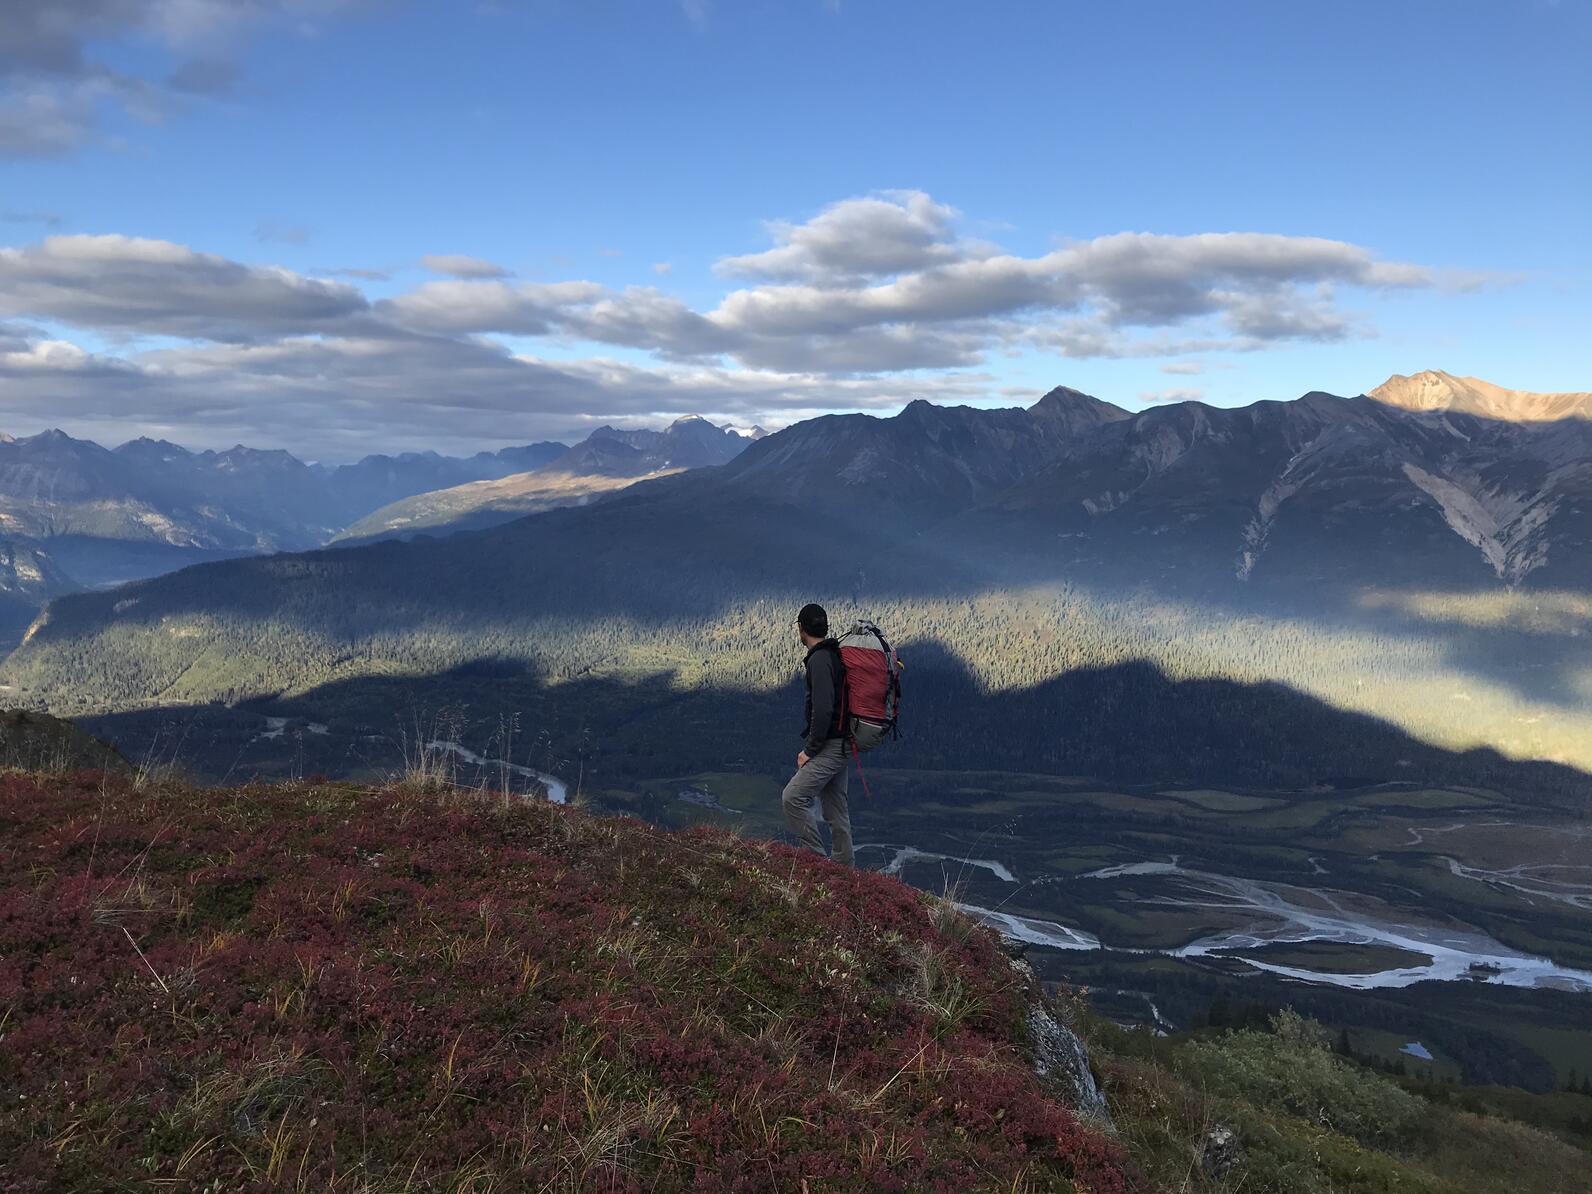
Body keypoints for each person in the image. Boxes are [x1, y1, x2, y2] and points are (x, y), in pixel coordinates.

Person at [780, 602, 854, 866]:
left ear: (801, 629)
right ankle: (845, 872)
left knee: (792, 797)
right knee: (836, 809)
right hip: (843, 741)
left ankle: (817, 863)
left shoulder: (820, 660)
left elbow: (822, 710)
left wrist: (809, 750)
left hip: (830, 745)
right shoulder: (832, 655)